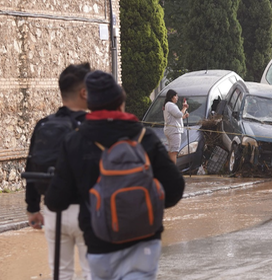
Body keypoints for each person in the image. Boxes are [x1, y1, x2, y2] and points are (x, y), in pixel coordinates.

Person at [45, 70, 185, 280]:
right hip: (145, 241)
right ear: (121, 101)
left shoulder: (75, 142)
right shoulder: (144, 137)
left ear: (90, 104)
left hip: (100, 243)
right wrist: (140, 204)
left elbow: (56, 201)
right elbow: (175, 188)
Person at [25, 63, 91, 280]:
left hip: (54, 211)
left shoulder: (44, 124)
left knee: (61, 274)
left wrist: (33, 208)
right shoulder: (92, 126)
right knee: (93, 273)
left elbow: (31, 165)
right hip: (88, 210)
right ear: (84, 92)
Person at [163, 89, 189, 163]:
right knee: (174, 152)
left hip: (170, 130)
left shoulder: (168, 105)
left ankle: (169, 169)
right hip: (174, 131)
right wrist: (184, 108)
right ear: (172, 97)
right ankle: (173, 171)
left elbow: (176, 118)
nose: (177, 98)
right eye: (176, 96)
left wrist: (184, 117)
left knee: (171, 151)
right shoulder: (170, 105)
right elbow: (179, 114)